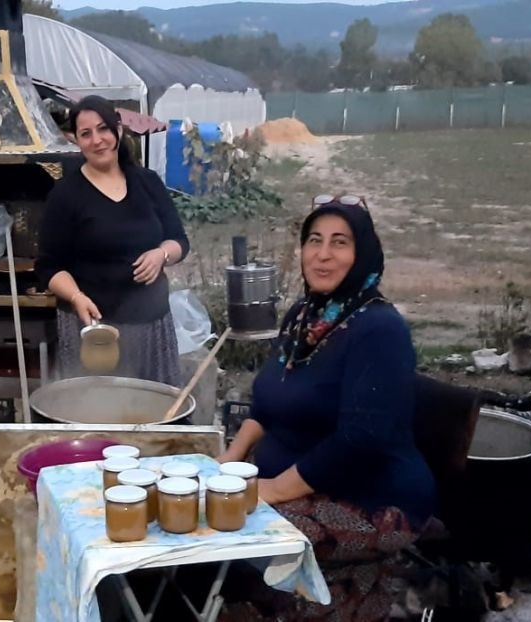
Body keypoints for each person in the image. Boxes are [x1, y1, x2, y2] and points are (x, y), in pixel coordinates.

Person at [218, 194, 434, 621]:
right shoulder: (304, 316)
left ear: (362, 254)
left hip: (374, 497)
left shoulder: (379, 330)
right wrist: (225, 463)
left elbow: (359, 442)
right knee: (204, 502)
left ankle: (354, 588)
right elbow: (266, 404)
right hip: (298, 481)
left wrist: (272, 490)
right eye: (314, 240)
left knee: (230, 526)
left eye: (340, 243)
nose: (322, 255)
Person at [35, 95, 190, 385]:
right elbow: (48, 266)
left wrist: (161, 255)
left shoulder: (148, 182)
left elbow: (178, 240)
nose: (97, 140)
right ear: (77, 141)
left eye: (103, 128)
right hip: (93, 327)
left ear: (118, 131)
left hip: (151, 324)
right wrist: (77, 297)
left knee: (152, 412)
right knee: (97, 415)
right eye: (86, 133)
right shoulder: (66, 195)